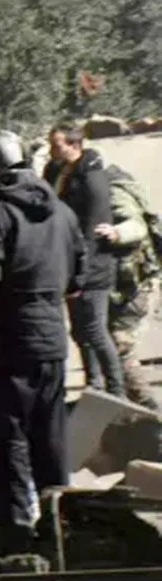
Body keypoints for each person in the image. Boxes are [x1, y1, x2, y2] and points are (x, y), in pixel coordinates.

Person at [0, 130, 84, 553]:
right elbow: (78, 278)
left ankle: (12, 530)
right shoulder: (61, 211)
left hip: (1, 342)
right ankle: (57, 525)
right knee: (50, 433)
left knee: (4, 434)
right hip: (50, 337)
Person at [43, 121, 125, 396]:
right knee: (80, 332)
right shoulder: (55, 170)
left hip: (93, 268)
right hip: (69, 266)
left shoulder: (92, 178)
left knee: (95, 331)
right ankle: (95, 385)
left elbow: (92, 231)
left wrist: (81, 275)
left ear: (75, 145)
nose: (51, 150)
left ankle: (116, 389)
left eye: (57, 145)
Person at [101, 162, 161, 408]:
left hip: (133, 287)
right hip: (128, 285)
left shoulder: (113, 190)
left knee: (119, 345)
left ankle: (149, 410)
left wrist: (116, 233)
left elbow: (135, 226)